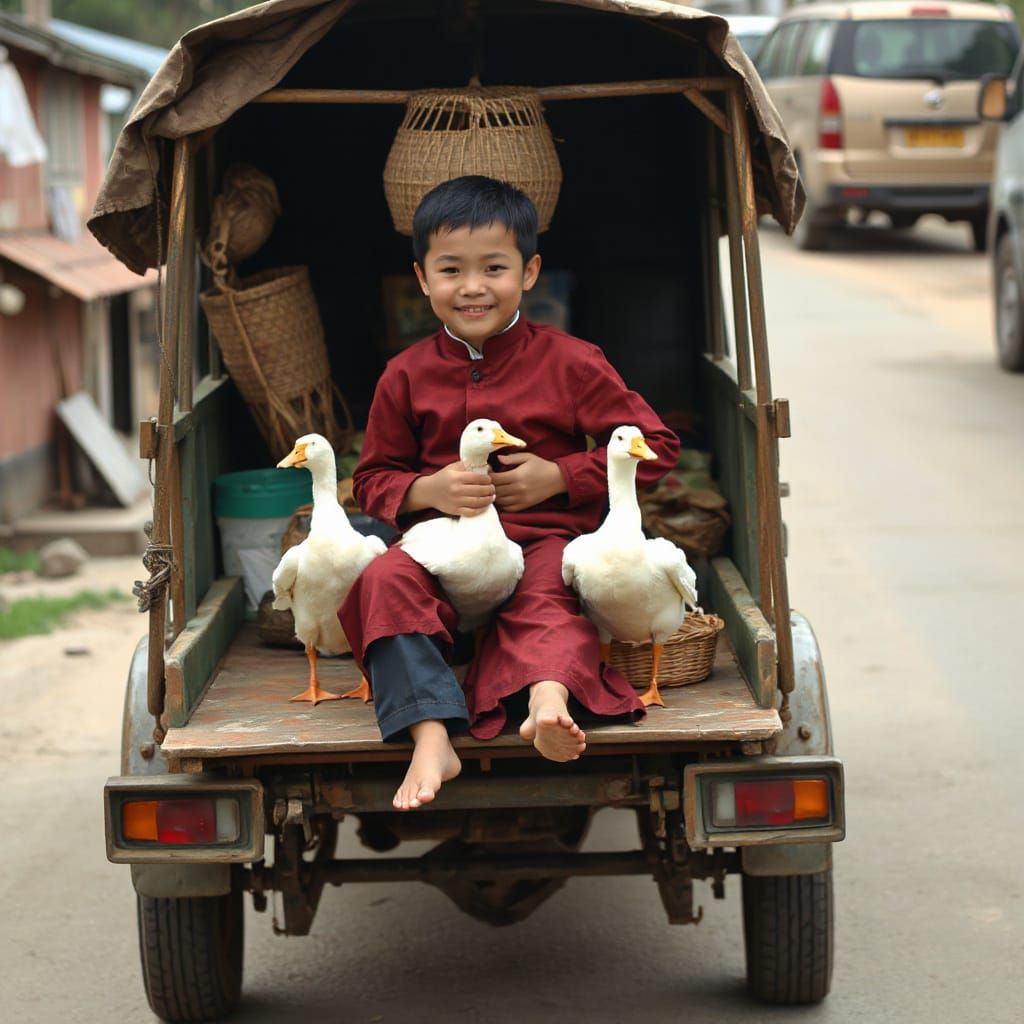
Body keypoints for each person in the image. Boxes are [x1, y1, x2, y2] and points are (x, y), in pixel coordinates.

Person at [338, 175, 680, 810]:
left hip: (543, 539)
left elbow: (655, 443)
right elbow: (371, 481)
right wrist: (427, 489)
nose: (472, 287)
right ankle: (432, 732)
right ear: (422, 279)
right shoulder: (404, 375)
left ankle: (546, 702)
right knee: (381, 583)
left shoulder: (573, 361)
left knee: (548, 600)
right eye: (451, 270)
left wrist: (563, 475)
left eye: (494, 267)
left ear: (530, 272)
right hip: (443, 550)